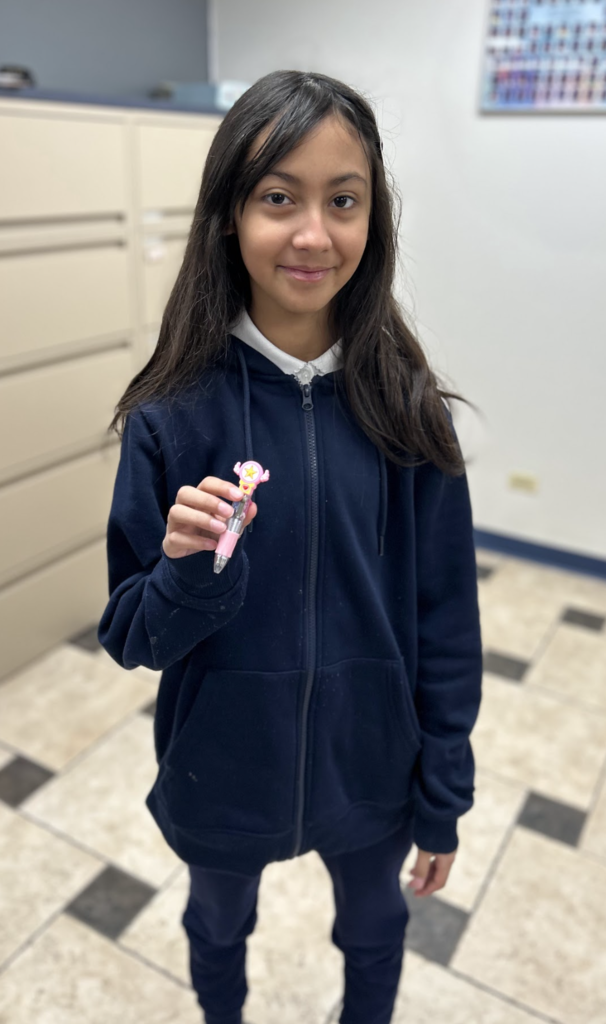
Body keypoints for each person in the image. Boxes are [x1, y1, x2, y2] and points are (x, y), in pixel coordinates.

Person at [98, 70, 482, 1024]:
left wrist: (443, 793)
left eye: (342, 200)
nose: (313, 234)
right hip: (221, 768)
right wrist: (187, 576)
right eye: (280, 198)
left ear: (372, 219)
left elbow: (446, 620)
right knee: (217, 927)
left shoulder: (408, 409)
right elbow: (130, 634)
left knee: (374, 928)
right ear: (231, 214)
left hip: (372, 763)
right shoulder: (169, 418)